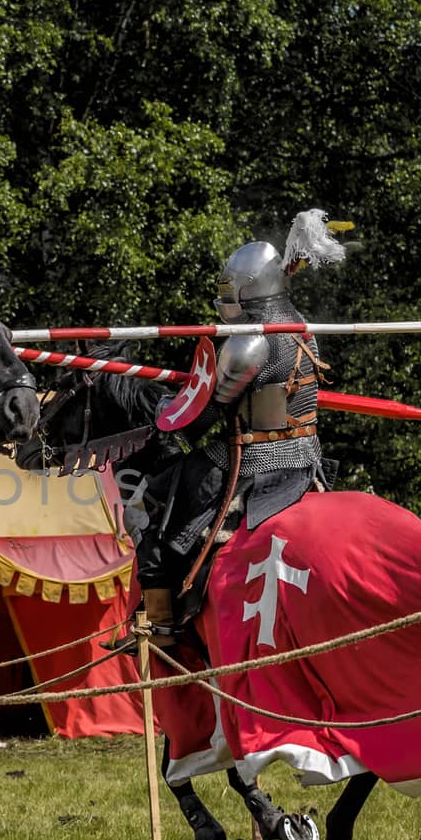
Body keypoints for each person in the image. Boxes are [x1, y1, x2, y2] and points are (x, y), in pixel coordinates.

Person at [139, 210, 352, 641]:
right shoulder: (303, 331)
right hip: (305, 455)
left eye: (226, 289)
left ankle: (161, 621)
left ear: (246, 289)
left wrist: (170, 411)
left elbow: (205, 418)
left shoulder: (249, 342)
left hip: (255, 456)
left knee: (149, 502)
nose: (222, 297)